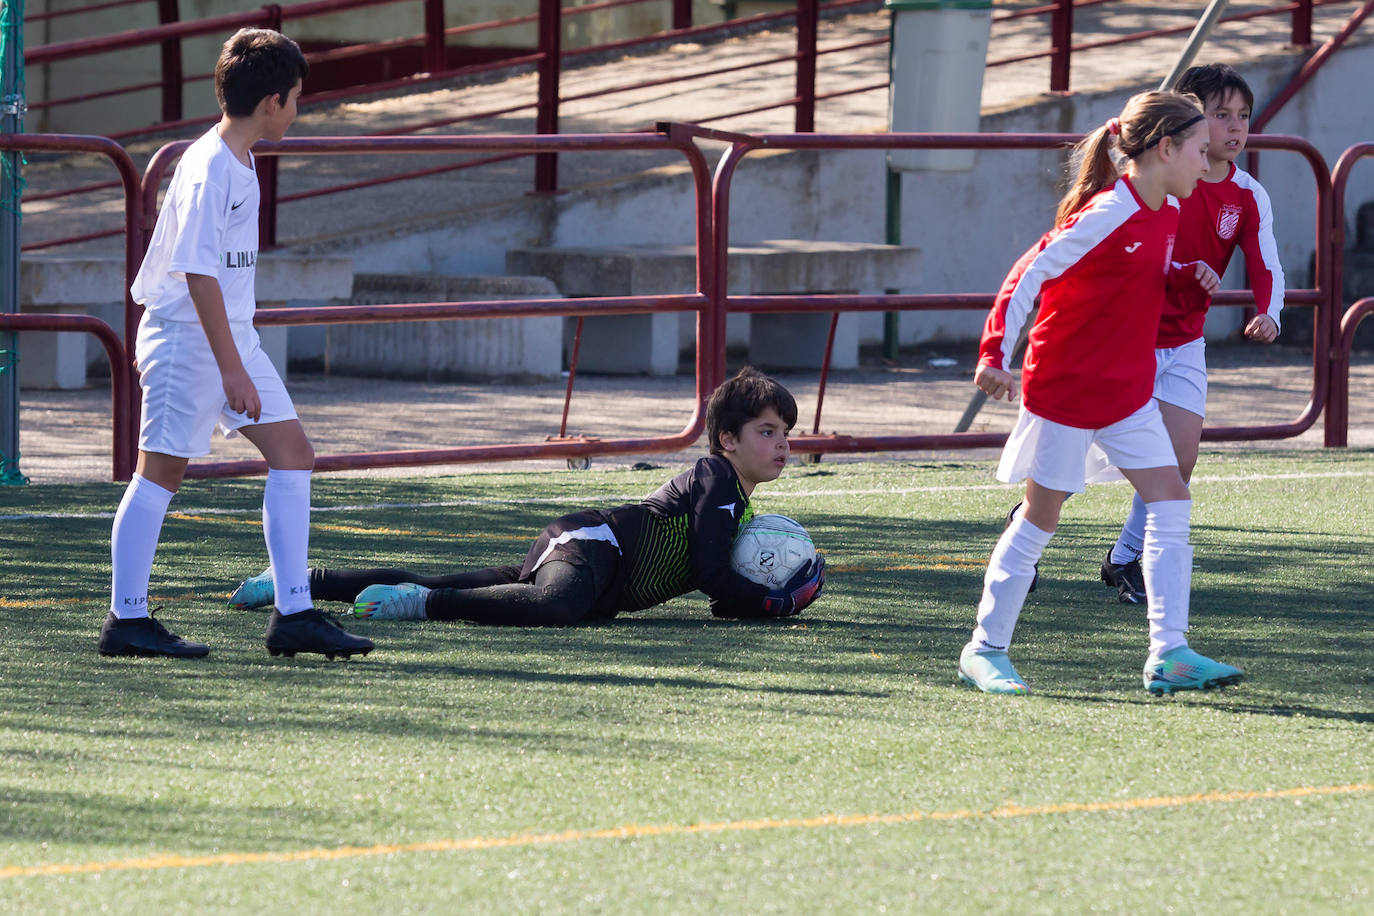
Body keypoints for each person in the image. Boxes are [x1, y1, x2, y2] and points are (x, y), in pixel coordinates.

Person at [99, 29, 373, 660]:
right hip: (188, 343)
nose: (299, 110)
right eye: (297, 97)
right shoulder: (206, 168)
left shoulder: (242, 159)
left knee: (294, 453)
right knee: (158, 475)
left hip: (231, 338)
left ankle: (294, 614)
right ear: (272, 101)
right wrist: (231, 370)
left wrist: (238, 357)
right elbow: (197, 275)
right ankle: (126, 619)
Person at [961, 89, 1243, 696]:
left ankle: (1170, 652)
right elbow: (1028, 273)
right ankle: (984, 649)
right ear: (1165, 148)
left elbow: (1129, 276)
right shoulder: (1108, 211)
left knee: (1171, 501)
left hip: (1127, 392)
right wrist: (993, 355)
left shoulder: (1166, 209)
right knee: (1042, 517)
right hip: (1068, 388)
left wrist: (1183, 279)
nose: (1207, 159)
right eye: (1198, 148)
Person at [228, 368, 826, 625]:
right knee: (550, 606)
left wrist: (757, 599)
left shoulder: (738, 503)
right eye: (766, 432)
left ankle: (298, 581)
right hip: (596, 545)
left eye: (786, 434)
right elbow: (711, 573)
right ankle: (416, 607)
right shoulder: (717, 477)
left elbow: (718, 593)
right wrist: (776, 601)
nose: (781, 446)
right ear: (728, 439)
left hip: (599, 573)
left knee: (450, 578)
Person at [1099, 64, 1284, 604]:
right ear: (1186, 122)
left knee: (1178, 463)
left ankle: (1126, 558)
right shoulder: (1158, 180)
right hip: (1122, 339)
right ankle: (1027, 537)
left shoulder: (1249, 195)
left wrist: (1270, 312)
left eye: (1242, 116)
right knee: (1068, 462)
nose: (1233, 127)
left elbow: (1266, 264)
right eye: (1219, 115)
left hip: (1183, 345)